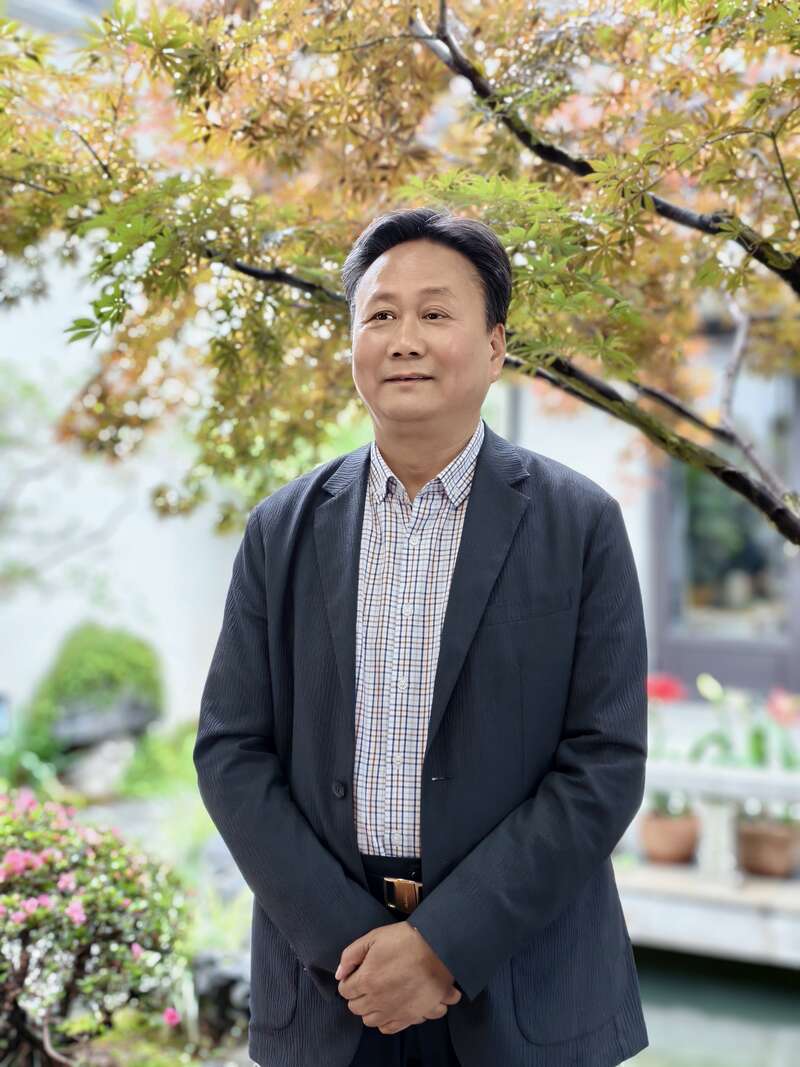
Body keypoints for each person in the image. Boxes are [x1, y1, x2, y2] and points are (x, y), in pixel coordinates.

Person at [193, 207, 650, 1067]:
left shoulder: (580, 523)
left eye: (436, 313)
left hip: (523, 982)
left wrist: (444, 943)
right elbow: (231, 752)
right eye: (380, 314)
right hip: (332, 987)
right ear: (353, 343)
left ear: (495, 346)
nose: (404, 339)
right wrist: (354, 945)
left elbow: (604, 762)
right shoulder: (281, 528)